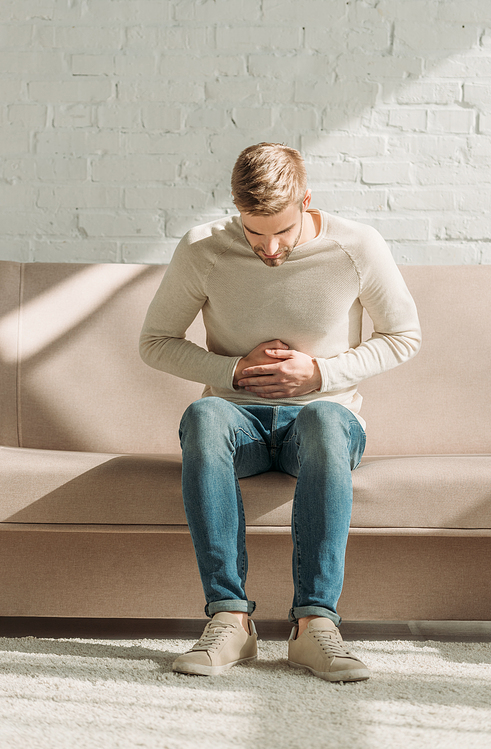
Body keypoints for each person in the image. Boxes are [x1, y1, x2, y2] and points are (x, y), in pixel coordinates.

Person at [139, 142, 421, 682]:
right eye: (254, 233)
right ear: (235, 211)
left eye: (283, 233)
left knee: (320, 418)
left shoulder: (356, 245)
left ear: (307, 202)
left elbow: (404, 336)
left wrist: (319, 374)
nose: (268, 248)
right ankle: (230, 620)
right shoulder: (203, 249)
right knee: (204, 416)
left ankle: (314, 627)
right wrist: (231, 371)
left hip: (323, 422)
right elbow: (155, 341)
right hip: (237, 422)